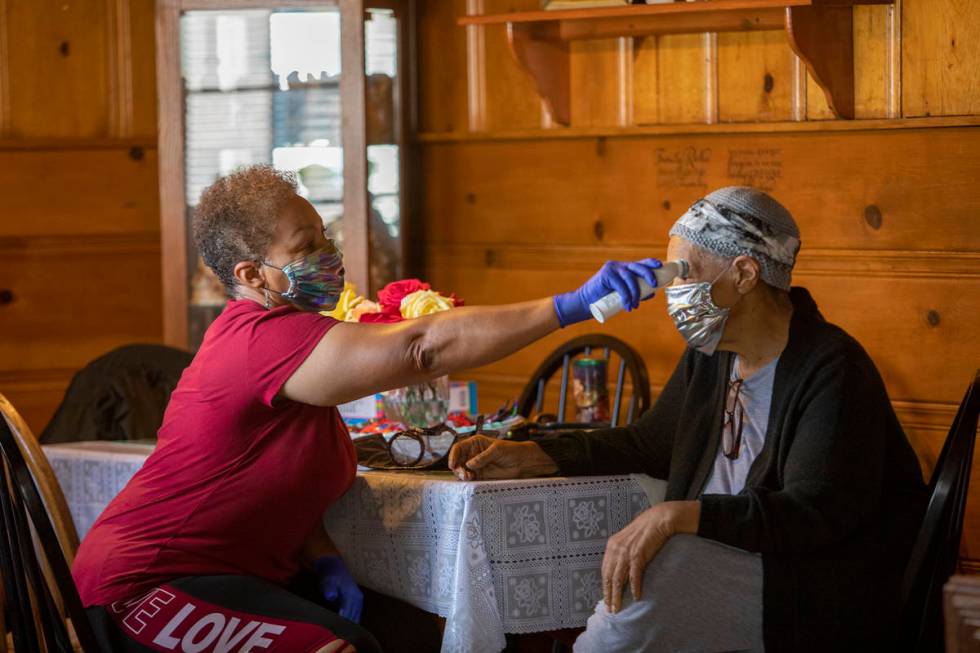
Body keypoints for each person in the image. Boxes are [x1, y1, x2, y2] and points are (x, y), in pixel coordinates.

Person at [71, 164, 664, 653]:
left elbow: (273, 484)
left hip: (231, 577)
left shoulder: (297, 345)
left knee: (407, 631)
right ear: (252, 275)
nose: (331, 254)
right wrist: (571, 305)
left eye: (326, 236)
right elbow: (422, 346)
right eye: (307, 247)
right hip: (142, 590)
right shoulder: (262, 339)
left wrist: (323, 555)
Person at [449, 186, 928, 652]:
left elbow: (812, 514)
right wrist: (534, 455)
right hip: (730, 557)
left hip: (805, 587)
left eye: (685, 273)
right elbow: (648, 444)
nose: (673, 292)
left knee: (658, 565)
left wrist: (678, 515)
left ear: (744, 274)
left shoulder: (832, 368)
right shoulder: (713, 353)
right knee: (641, 559)